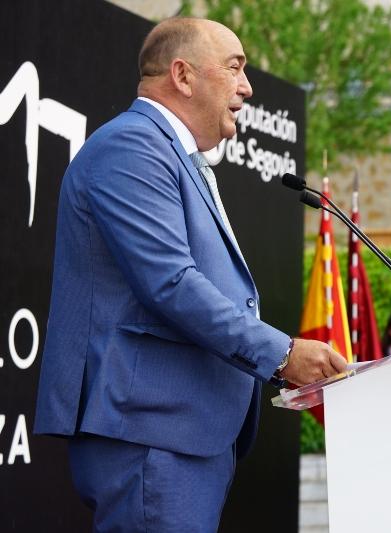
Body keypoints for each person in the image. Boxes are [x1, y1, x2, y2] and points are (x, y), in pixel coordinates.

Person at [33, 17, 347, 532]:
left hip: (182, 435)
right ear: (182, 75)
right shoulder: (132, 146)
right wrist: (283, 354)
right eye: (234, 68)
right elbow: (172, 283)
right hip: (151, 432)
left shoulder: (175, 154)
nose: (247, 87)